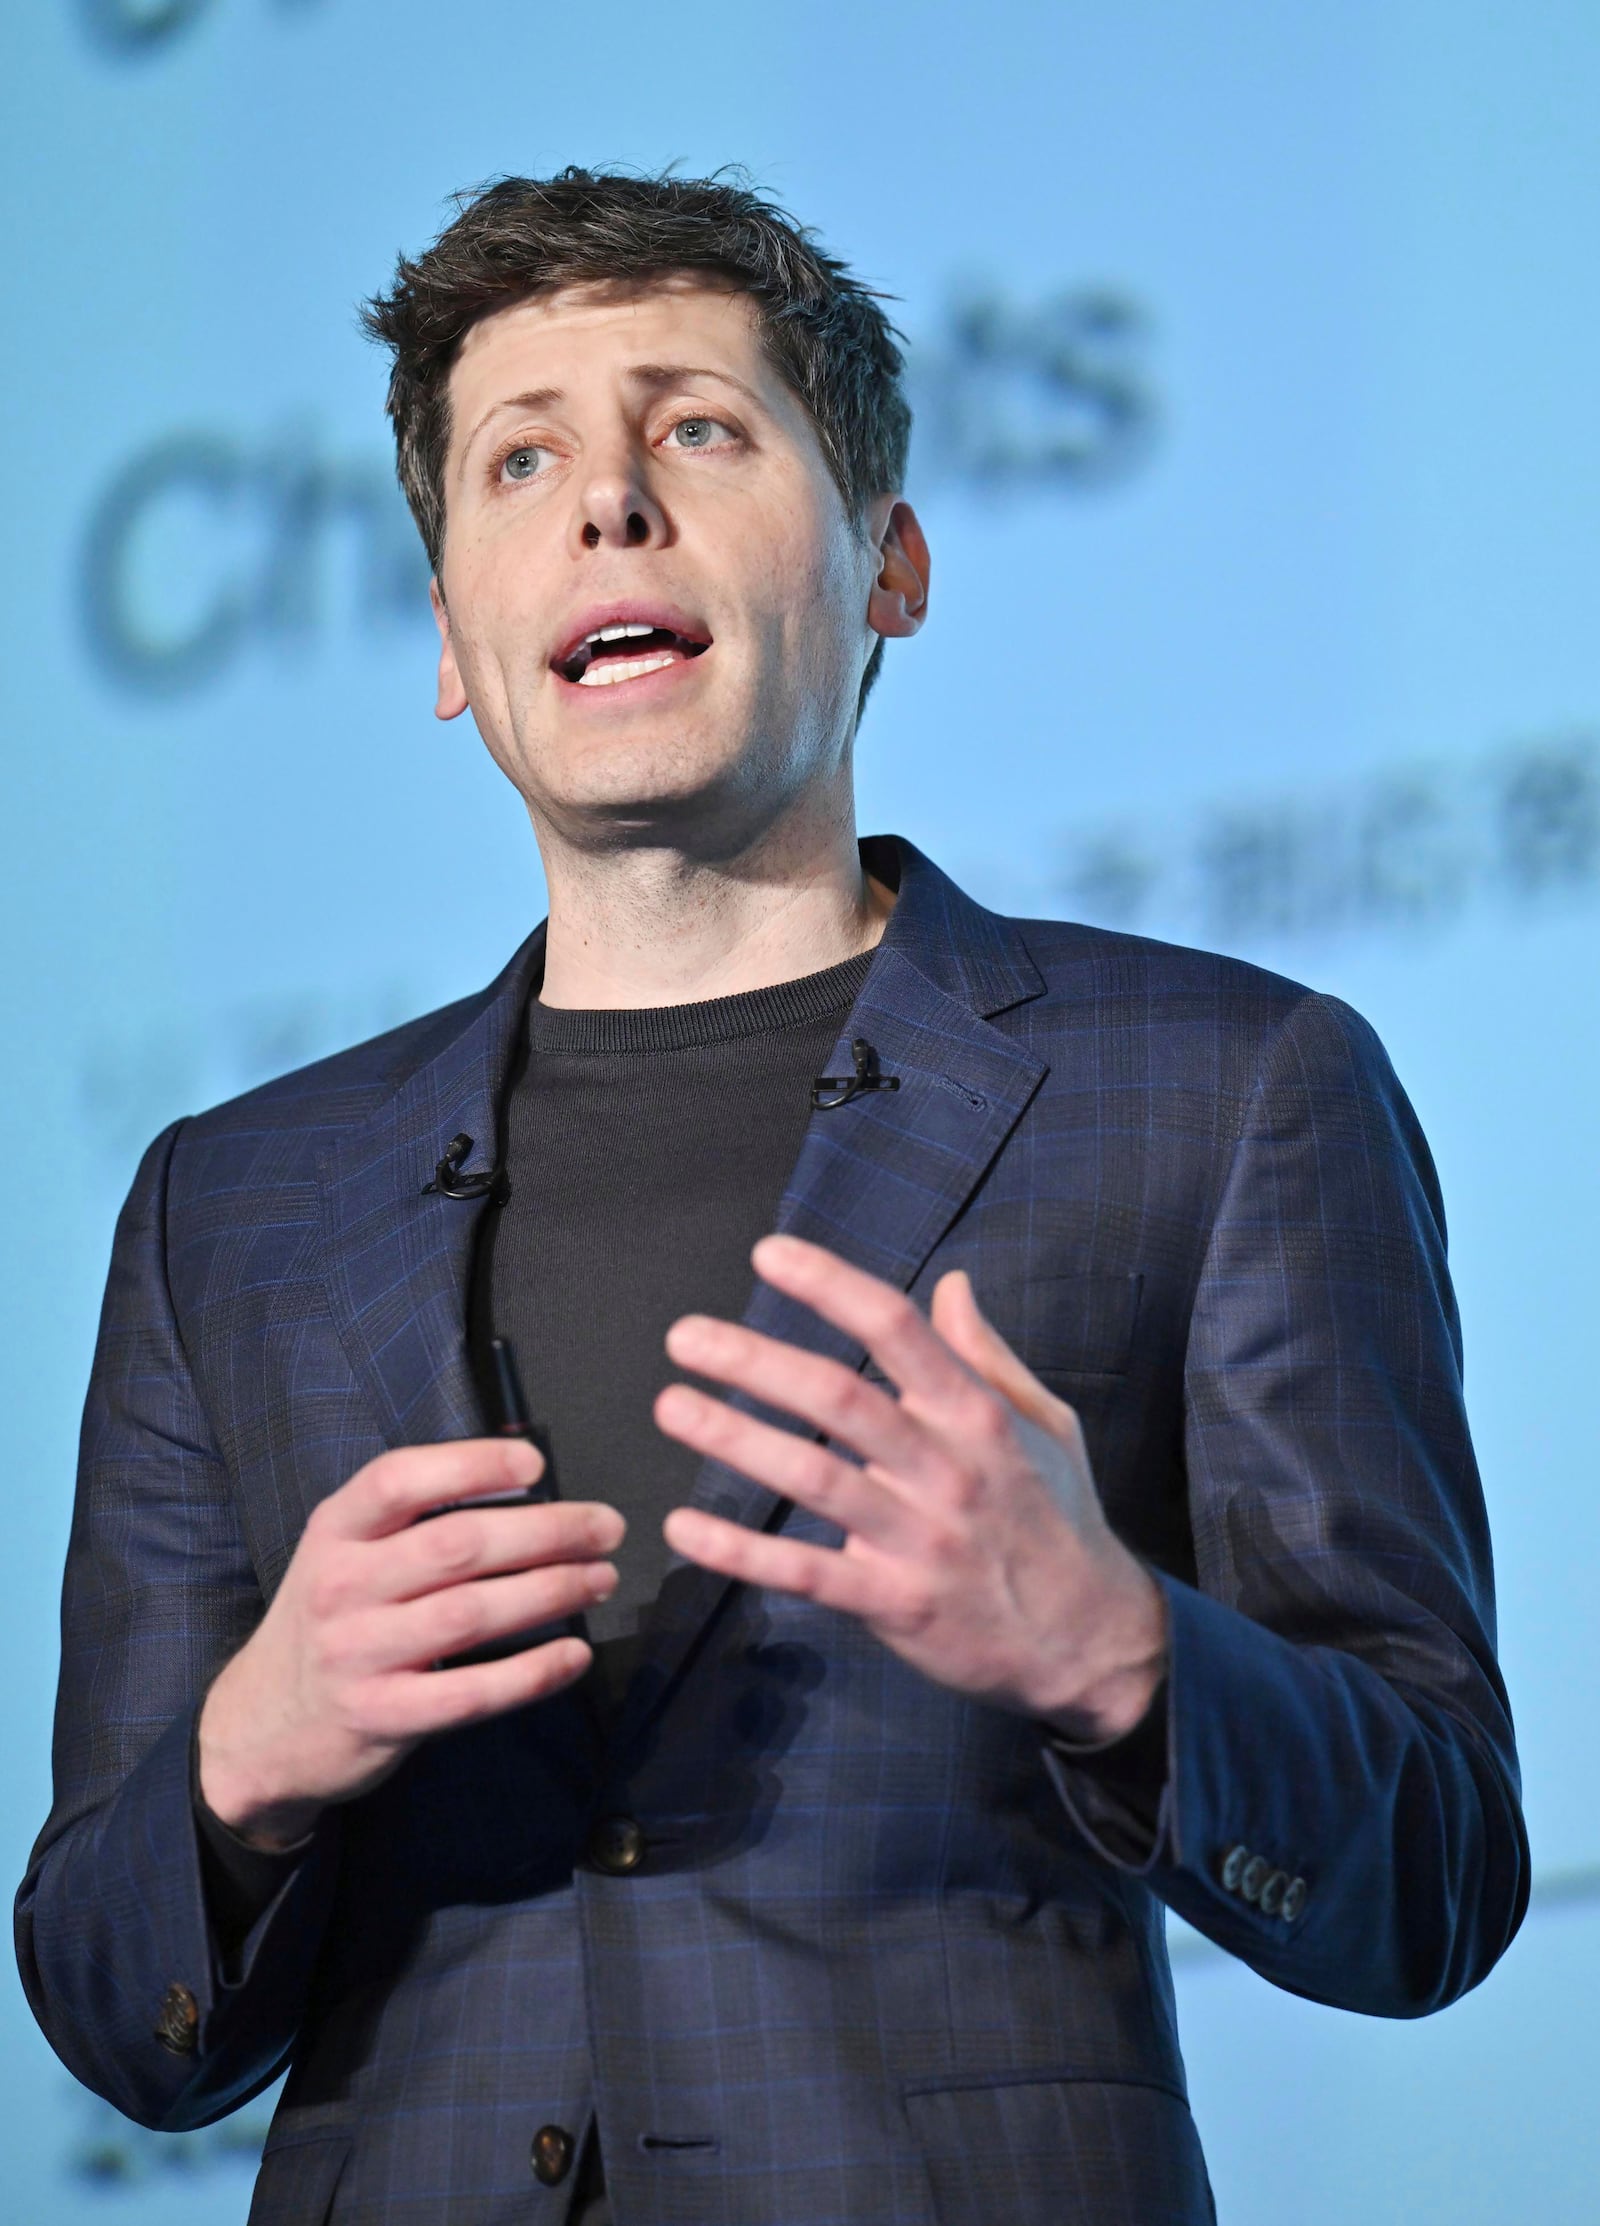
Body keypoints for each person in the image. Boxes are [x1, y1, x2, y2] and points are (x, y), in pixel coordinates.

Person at [16, 170, 1527, 2226]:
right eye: (518, 459)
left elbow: (1430, 1879)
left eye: (697, 432)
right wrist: (245, 1764)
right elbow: (119, 2025)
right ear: (455, 635)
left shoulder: (1224, 1089)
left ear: (888, 564)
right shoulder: (235, 1204)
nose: (604, 507)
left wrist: (1121, 1656)